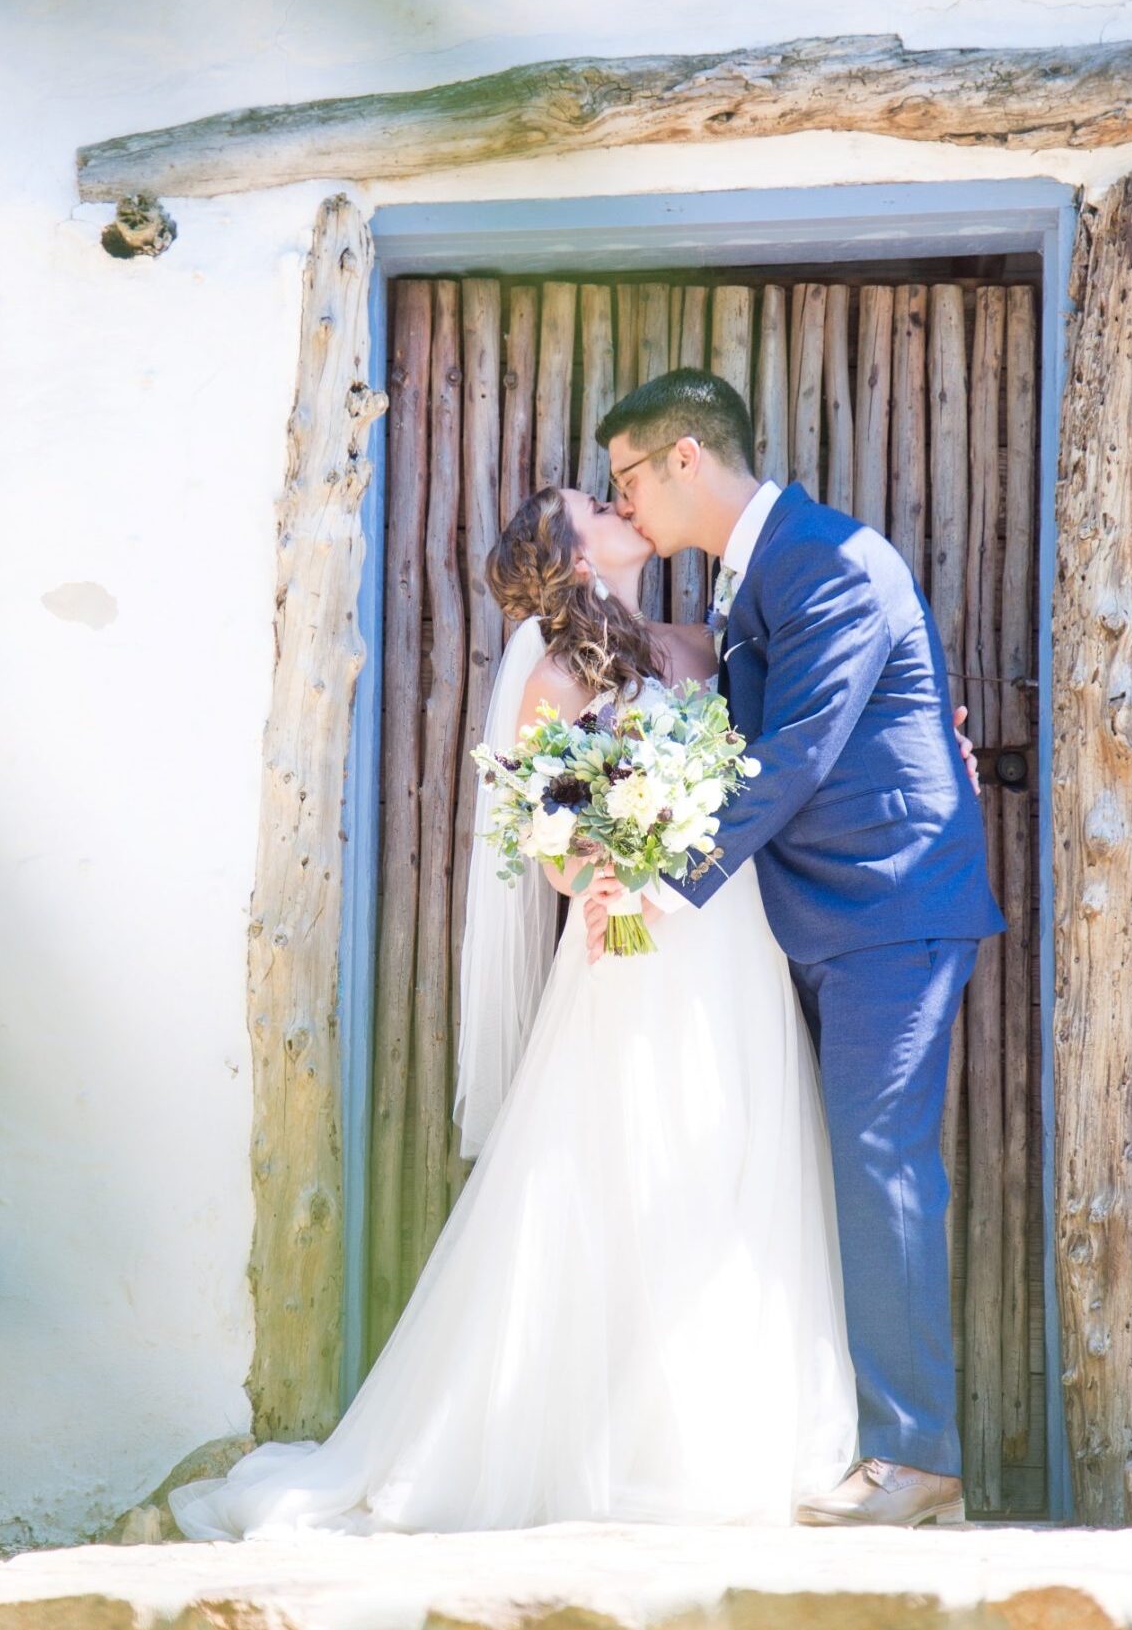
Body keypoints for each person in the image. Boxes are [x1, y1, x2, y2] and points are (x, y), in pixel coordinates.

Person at [169, 481, 858, 1540]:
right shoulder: (553, 677)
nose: (617, 502)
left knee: (736, 1151)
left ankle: (726, 1427)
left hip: (731, 931)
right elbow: (541, 832)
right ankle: (614, 1447)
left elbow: (785, 751)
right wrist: (606, 869)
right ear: (579, 559)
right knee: (629, 1162)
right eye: (595, 504)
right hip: (635, 951)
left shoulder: (696, 644)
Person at [586, 368, 1005, 1530]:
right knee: (854, 1160)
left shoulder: (828, 555)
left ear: (684, 458)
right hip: (827, 909)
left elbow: (805, 746)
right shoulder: (751, 573)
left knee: (882, 1156)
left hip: (892, 902)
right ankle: (882, 1446)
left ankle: (920, 1461)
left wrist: (670, 879)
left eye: (627, 477)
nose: (626, 505)